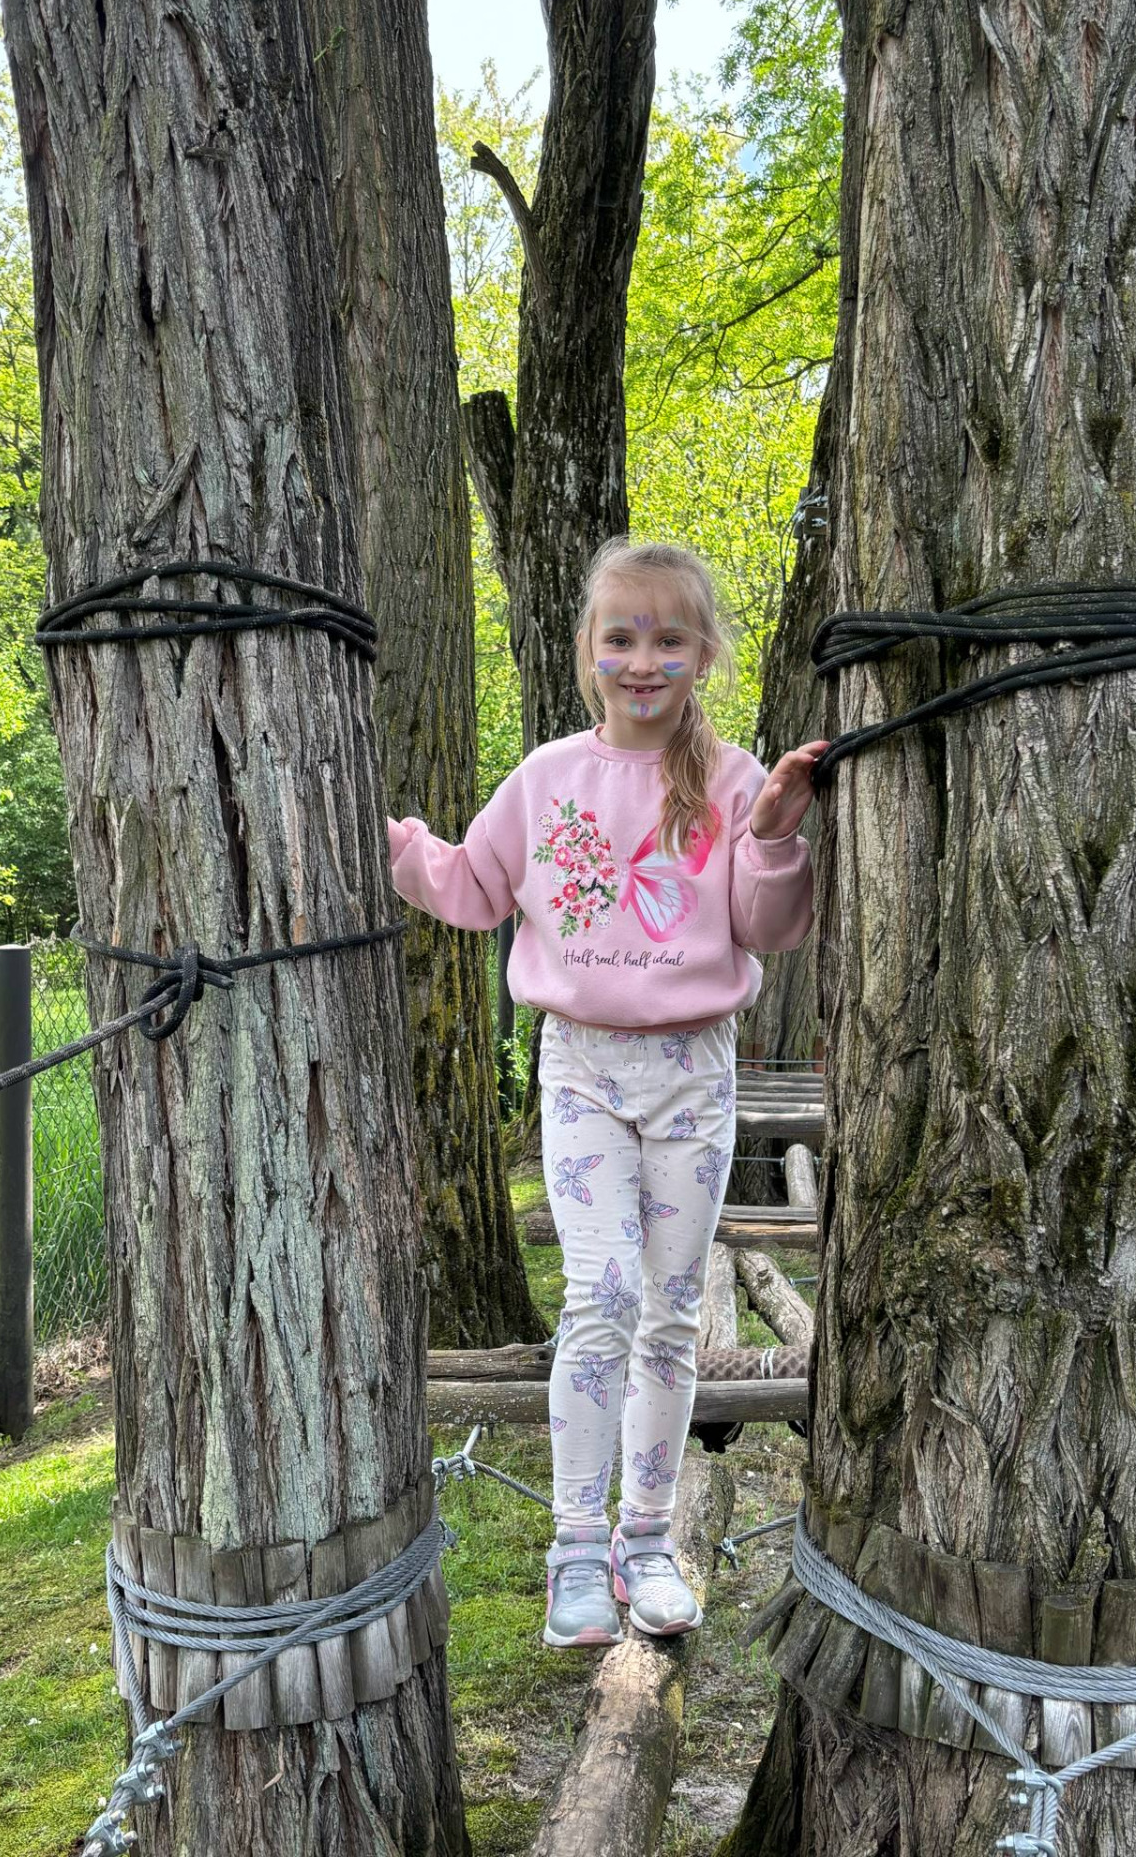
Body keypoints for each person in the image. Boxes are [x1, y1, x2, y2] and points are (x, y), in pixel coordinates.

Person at [388, 537, 826, 1645]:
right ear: (588, 648)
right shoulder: (547, 779)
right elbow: (474, 888)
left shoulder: (733, 781)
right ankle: (577, 1551)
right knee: (604, 1295)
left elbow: (769, 927)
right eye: (621, 637)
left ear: (704, 654)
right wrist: (385, 839)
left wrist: (776, 834)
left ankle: (648, 1539)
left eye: (669, 639)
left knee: (670, 1313)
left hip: (694, 1074)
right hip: (582, 1067)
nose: (643, 660)